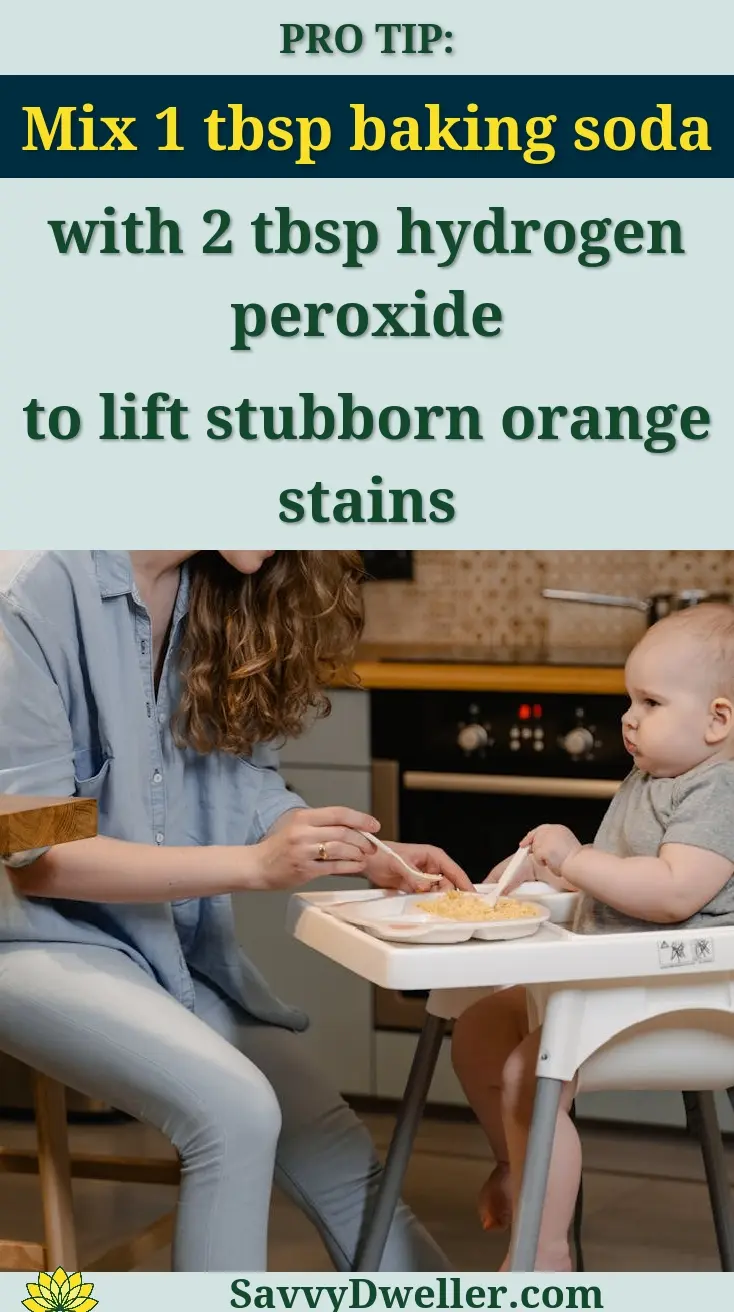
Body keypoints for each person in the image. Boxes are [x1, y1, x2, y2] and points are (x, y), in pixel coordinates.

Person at [0, 549, 472, 1273]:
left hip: (154, 941)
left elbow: (246, 783)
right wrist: (254, 866)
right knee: (236, 1109)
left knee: (332, 1145)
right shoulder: (31, 585)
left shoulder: (222, 594)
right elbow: (40, 855)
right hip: (26, 941)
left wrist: (359, 849)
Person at [451, 603, 734, 1272]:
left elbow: (670, 893)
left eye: (651, 701)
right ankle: (518, 1167)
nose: (629, 718)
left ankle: (544, 1254)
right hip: (618, 985)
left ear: (718, 720)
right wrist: (533, 877)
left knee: (527, 1075)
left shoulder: (721, 792)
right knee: (479, 1032)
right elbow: (621, 880)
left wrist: (574, 857)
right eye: (628, 700)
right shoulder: (651, 780)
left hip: (688, 998)